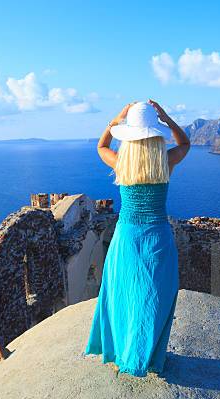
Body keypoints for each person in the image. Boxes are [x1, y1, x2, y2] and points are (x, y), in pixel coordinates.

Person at [84, 100, 190, 377]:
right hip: (158, 237)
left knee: (123, 295)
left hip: (126, 238)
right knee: (154, 298)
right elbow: (185, 144)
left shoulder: (121, 163)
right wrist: (166, 118)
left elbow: (101, 146)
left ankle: (122, 354)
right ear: (156, 135)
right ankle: (147, 355)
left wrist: (115, 120)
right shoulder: (165, 161)